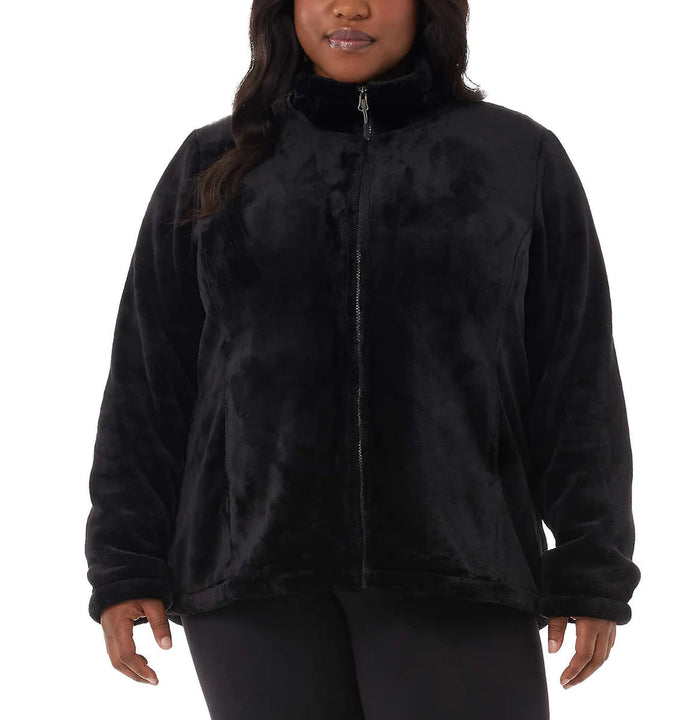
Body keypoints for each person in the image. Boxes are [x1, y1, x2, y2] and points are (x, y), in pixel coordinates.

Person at [84, 1, 641, 717]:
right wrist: (125, 562)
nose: (350, 6)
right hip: (252, 581)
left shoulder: (517, 157)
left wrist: (592, 565)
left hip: (458, 571)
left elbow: (576, 375)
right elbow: (147, 376)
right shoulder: (212, 161)